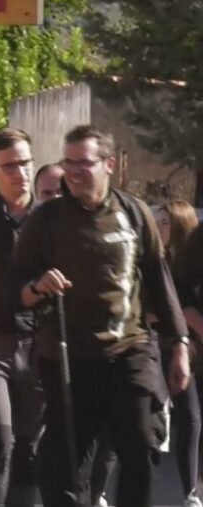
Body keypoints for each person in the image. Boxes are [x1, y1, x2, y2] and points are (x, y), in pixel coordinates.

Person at [14, 125, 192, 507]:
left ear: (108, 164)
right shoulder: (45, 221)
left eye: (85, 163)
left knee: (140, 447)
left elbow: (160, 282)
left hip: (130, 352)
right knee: (68, 463)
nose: (75, 172)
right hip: (68, 357)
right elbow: (16, 285)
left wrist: (179, 343)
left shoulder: (134, 213)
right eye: (69, 162)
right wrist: (37, 285)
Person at [0, 128, 43, 507]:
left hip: (39, 344)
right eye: (10, 165)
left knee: (31, 445)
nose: (20, 172)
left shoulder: (49, 218)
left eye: (25, 163)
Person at [154, 200, 203, 506]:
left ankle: (192, 490)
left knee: (191, 417)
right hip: (166, 347)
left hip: (186, 346)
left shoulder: (185, 261)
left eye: (165, 222)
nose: (159, 228)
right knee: (181, 417)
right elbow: (178, 302)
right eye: (157, 222)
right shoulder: (154, 261)